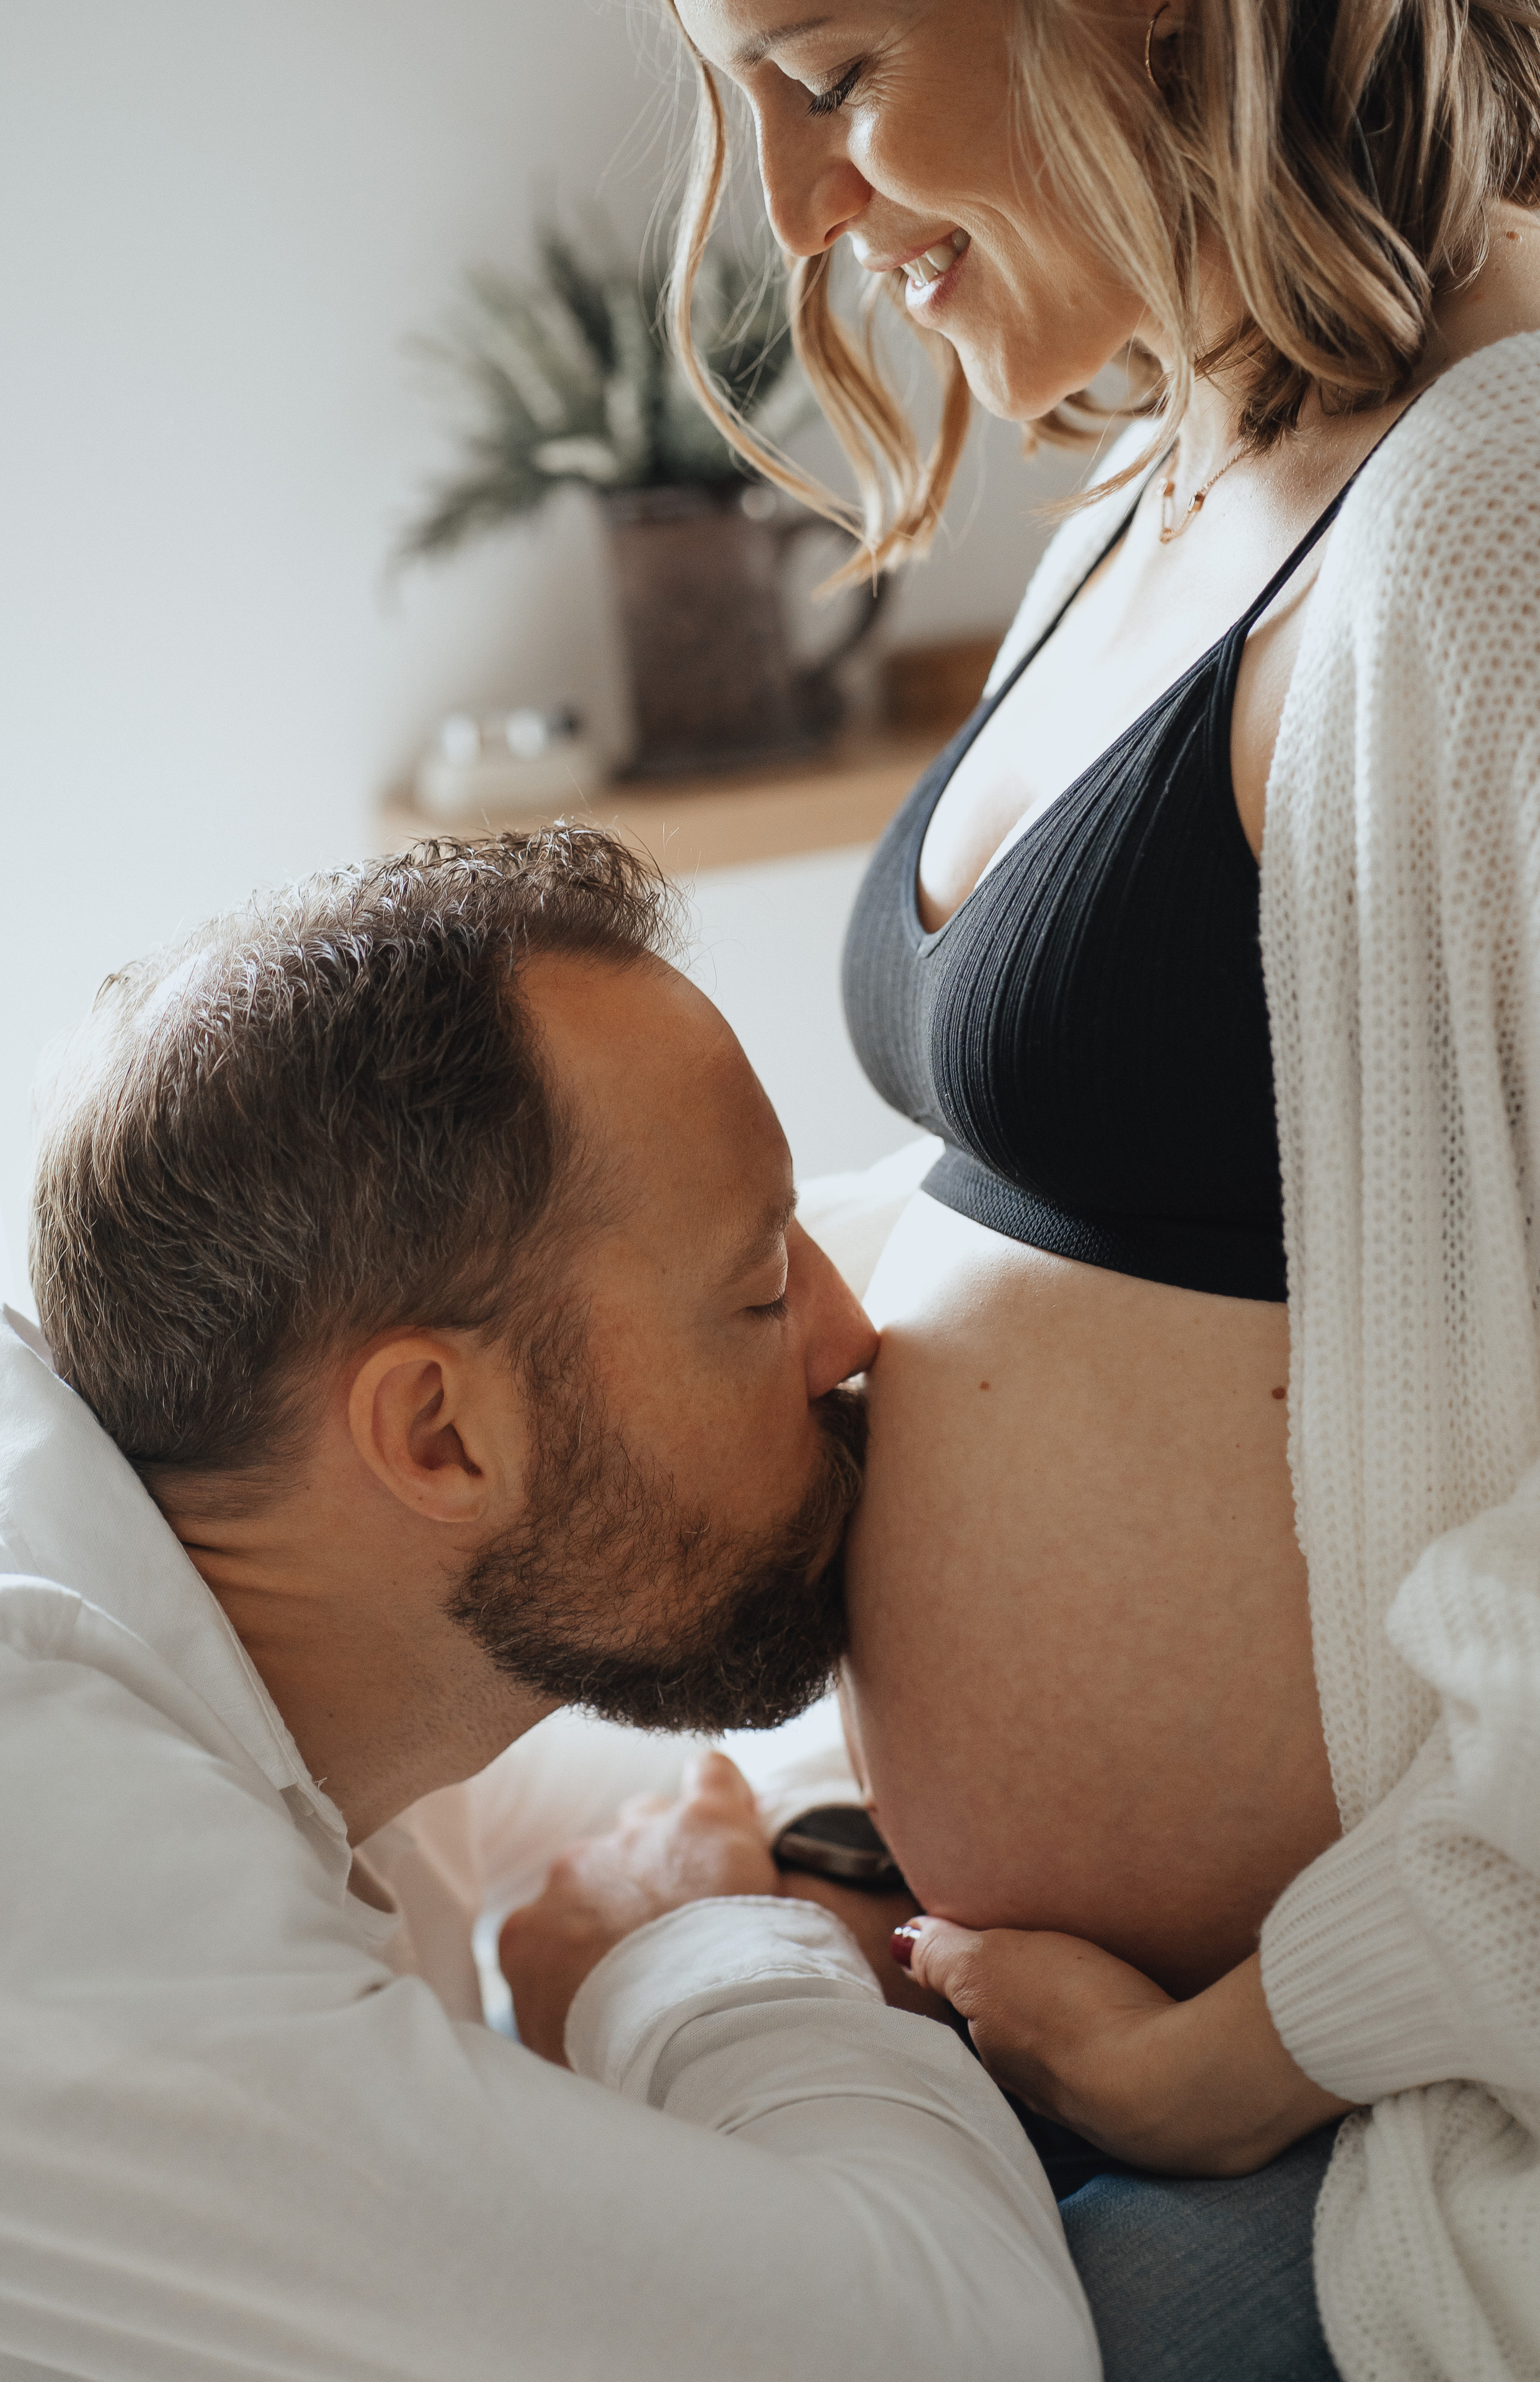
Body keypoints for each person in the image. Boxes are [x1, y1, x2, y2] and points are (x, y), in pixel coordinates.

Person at [636, 0, 1540, 2373]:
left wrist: (1250, 2050)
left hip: (1379, 2100)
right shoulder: (1166, 483)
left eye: (830, 76)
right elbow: (1051, 1210)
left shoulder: (1505, 515)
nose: (793, 210)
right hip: (1085, 2024)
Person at [0, 835, 1100, 2381]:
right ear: (437, 1436)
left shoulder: (261, 1627)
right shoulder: (27, 1835)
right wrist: (694, 1957)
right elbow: (972, 2352)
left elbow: (651, 1813)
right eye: (760, 1290)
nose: (847, 1335)